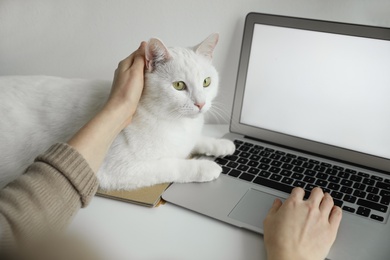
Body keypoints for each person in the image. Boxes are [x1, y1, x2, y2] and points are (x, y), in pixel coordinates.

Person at [0, 42, 342, 259]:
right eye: (180, 86)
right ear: (152, 69)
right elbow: (110, 173)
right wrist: (187, 169)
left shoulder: (187, 110)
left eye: (206, 83)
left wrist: (199, 143)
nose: (199, 101)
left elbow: (175, 130)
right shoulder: (141, 112)